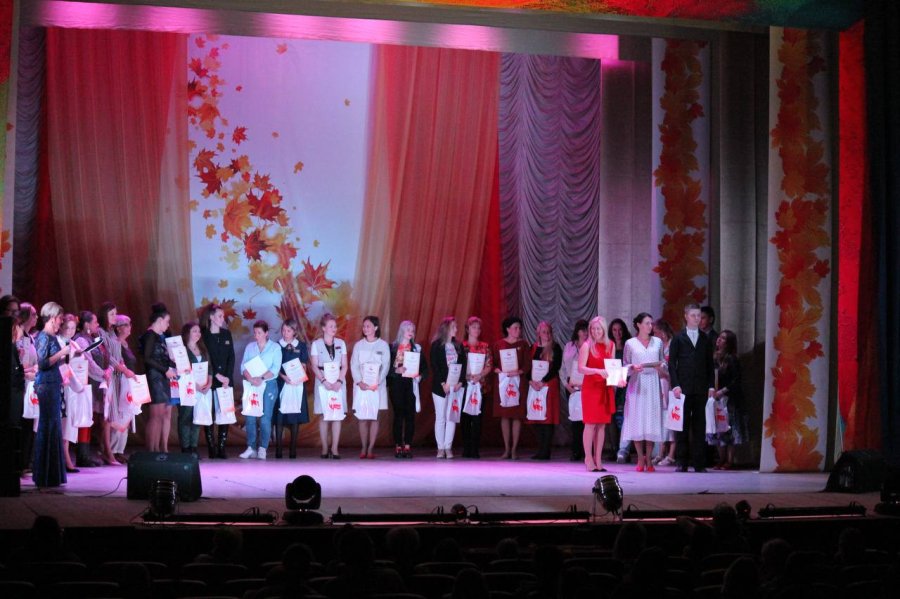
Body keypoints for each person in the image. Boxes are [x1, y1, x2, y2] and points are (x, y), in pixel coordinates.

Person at [669, 303, 716, 473]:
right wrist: (675, 384)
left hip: (701, 387)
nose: (697, 318)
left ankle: (699, 463)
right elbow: (672, 364)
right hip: (683, 388)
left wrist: (711, 386)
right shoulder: (678, 338)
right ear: (686, 316)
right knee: (682, 425)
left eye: (699, 316)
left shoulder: (705, 338)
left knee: (699, 425)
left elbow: (710, 365)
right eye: (693, 315)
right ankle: (681, 461)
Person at [621, 312, 667, 472]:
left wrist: (660, 367)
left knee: (651, 420)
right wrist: (632, 367)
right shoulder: (630, 343)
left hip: (653, 382)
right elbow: (625, 365)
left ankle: (649, 458)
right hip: (637, 383)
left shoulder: (658, 342)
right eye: (647, 323)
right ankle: (640, 457)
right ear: (639, 325)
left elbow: (663, 362)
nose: (650, 326)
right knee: (637, 419)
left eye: (651, 323)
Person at [32, 302, 68, 488]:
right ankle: (44, 474)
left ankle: (52, 474)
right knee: (48, 425)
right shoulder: (44, 336)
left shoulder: (51, 336)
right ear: (53, 318)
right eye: (60, 318)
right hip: (46, 384)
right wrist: (62, 352)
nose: (61, 322)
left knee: (54, 426)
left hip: (52, 383)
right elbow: (43, 363)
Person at [578, 316, 618, 472]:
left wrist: (618, 379)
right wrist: (597, 371)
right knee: (590, 424)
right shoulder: (587, 345)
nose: (595, 331)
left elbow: (613, 367)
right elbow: (581, 368)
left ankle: (598, 459)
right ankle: (588, 458)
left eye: (598, 329)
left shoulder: (611, 345)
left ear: (603, 330)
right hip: (591, 388)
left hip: (604, 388)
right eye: (593, 329)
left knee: (601, 425)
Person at [239, 320, 282, 460]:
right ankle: (251, 447)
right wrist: (251, 379)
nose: (256, 335)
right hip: (252, 384)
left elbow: (275, 369)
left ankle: (263, 447)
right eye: (255, 332)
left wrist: (261, 378)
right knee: (250, 416)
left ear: (266, 333)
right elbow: (243, 366)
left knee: (265, 417)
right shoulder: (250, 347)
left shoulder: (275, 348)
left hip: (268, 384)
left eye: (259, 333)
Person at [138, 303, 177, 453]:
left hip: (162, 377)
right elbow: (147, 358)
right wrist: (165, 369)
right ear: (160, 320)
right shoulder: (150, 336)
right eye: (167, 321)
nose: (168, 325)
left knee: (161, 415)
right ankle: (151, 450)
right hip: (154, 378)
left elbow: (161, 358)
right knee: (155, 416)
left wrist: (172, 365)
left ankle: (156, 450)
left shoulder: (159, 338)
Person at [350, 315, 389, 459]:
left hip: (376, 387)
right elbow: (354, 365)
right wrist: (359, 382)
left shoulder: (383, 345)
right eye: (364, 326)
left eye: (368, 326)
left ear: (376, 327)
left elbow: (386, 366)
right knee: (362, 418)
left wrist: (377, 382)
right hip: (362, 387)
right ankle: (363, 447)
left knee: (374, 417)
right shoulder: (358, 345)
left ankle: (371, 448)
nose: (365, 328)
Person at [492, 316, 531, 460]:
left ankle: (514, 449)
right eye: (515, 328)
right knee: (504, 415)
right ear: (508, 329)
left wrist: (519, 371)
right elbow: (493, 362)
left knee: (516, 415)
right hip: (503, 383)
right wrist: (496, 369)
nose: (518, 330)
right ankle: (506, 449)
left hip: (518, 383)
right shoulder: (498, 344)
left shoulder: (524, 344)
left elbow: (527, 365)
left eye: (519, 328)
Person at [708, 329, 748, 470]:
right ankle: (721, 459)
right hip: (716, 399)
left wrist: (723, 391)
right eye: (719, 337)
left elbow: (736, 381)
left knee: (729, 430)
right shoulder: (713, 358)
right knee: (718, 429)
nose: (719, 340)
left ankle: (729, 460)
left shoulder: (732, 359)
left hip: (730, 400)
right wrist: (711, 389)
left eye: (723, 338)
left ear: (728, 343)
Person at [310, 312, 348, 459]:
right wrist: (324, 381)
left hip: (338, 381)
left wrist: (339, 381)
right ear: (323, 328)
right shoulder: (316, 344)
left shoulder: (341, 343)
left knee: (337, 415)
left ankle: (335, 448)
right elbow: (314, 365)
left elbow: (344, 365)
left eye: (335, 326)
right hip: (322, 382)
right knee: (324, 414)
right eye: (331, 326)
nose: (334, 328)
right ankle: (325, 447)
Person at [200, 303, 235, 459]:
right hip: (210, 380)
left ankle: (221, 447)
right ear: (211, 317)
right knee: (209, 413)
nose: (222, 319)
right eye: (220, 316)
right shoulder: (204, 335)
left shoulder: (226, 334)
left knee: (224, 413)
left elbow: (231, 357)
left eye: (223, 316)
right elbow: (204, 358)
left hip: (225, 381)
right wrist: (215, 375)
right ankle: (211, 447)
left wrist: (227, 377)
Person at [388, 320, 427, 458]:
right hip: (396, 385)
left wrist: (420, 376)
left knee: (410, 415)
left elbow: (425, 369)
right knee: (398, 415)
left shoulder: (416, 349)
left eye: (412, 330)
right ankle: (398, 445)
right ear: (402, 331)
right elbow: (386, 369)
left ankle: (408, 446)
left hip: (411, 385)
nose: (411, 332)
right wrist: (396, 370)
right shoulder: (392, 347)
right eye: (408, 330)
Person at [73, 311, 107, 467]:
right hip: (85, 382)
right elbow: (89, 362)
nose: (97, 325)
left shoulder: (91, 339)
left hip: (92, 382)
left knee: (89, 418)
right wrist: (103, 373)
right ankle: (82, 455)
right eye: (95, 322)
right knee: (84, 418)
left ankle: (85, 454)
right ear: (86, 324)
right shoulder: (81, 340)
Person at [429, 317, 465, 459]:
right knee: (440, 418)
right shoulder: (436, 345)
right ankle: (440, 448)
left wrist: (460, 382)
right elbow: (435, 366)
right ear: (446, 328)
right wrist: (443, 383)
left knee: (452, 417)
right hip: (441, 387)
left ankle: (448, 447)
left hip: (455, 387)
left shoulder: (458, 345)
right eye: (454, 327)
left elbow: (463, 365)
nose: (456, 329)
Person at [274, 318, 309, 459]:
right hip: (282, 383)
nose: (285, 333)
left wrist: (298, 376)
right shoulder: (277, 346)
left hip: (296, 384)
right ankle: (278, 450)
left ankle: (293, 449)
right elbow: (274, 366)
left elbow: (304, 364)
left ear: (294, 332)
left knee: (294, 415)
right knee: (279, 417)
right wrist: (284, 377)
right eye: (283, 330)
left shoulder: (301, 345)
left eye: (288, 331)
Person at [527, 321, 562, 460]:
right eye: (543, 332)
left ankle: (546, 451)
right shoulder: (533, 347)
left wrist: (543, 381)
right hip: (535, 386)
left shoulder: (555, 347)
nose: (546, 334)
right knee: (536, 417)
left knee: (548, 418)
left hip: (549, 385)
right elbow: (528, 366)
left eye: (548, 331)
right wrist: (531, 381)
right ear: (538, 333)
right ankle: (540, 449)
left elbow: (556, 367)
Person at [460, 316, 491, 459]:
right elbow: (458, 365)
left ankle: (475, 448)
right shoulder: (462, 346)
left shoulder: (485, 346)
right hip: (465, 386)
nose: (476, 330)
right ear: (467, 329)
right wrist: (467, 376)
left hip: (480, 386)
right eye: (473, 327)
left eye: (478, 328)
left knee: (477, 418)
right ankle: (466, 447)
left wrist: (480, 375)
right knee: (465, 418)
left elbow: (489, 364)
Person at [179, 322, 211, 457]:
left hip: (202, 389)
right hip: (188, 388)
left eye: (199, 331)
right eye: (194, 331)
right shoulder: (182, 350)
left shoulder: (202, 349)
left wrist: (209, 383)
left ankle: (194, 448)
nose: (198, 334)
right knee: (186, 417)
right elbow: (182, 370)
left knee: (198, 417)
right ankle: (185, 448)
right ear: (187, 333)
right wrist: (195, 385)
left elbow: (210, 368)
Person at [560, 320, 588, 462]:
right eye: (582, 330)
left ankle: (587, 451)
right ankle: (576, 451)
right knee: (575, 420)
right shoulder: (569, 346)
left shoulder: (590, 346)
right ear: (577, 331)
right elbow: (563, 368)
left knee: (587, 421)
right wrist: (566, 385)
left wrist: (586, 385)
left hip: (586, 386)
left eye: (586, 330)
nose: (585, 333)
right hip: (571, 387)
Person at [110, 314, 136, 463]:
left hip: (129, 383)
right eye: (126, 324)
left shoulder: (125, 344)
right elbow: (116, 363)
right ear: (118, 328)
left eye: (130, 324)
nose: (129, 327)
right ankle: (113, 450)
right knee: (119, 415)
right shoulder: (116, 343)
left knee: (127, 415)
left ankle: (120, 450)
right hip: (119, 382)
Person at [652, 319, 677, 466]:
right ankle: (661, 452)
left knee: (672, 418)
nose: (654, 335)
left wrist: (665, 373)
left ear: (662, 332)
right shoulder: (658, 347)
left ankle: (671, 454)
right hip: (660, 385)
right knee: (661, 418)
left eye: (655, 332)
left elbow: (674, 368)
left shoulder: (673, 345)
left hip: (671, 385)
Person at [17, 303, 39, 472]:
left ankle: (26, 462)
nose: (36, 318)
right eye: (33, 314)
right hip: (21, 386)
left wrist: (35, 368)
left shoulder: (30, 337)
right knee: (23, 424)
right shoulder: (18, 335)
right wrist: (31, 370)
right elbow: (19, 365)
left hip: (30, 385)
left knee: (30, 424)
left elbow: (33, 362)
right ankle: (21, 463)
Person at [609, 318, 632, 464]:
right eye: (614, 330)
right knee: (611, 418)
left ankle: (624, 450)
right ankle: (614, 449)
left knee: (623, 419)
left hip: (625, 386)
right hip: (611, 386)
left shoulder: (628, 346)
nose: (617, 333)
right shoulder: (608, 346)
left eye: (620, 330)